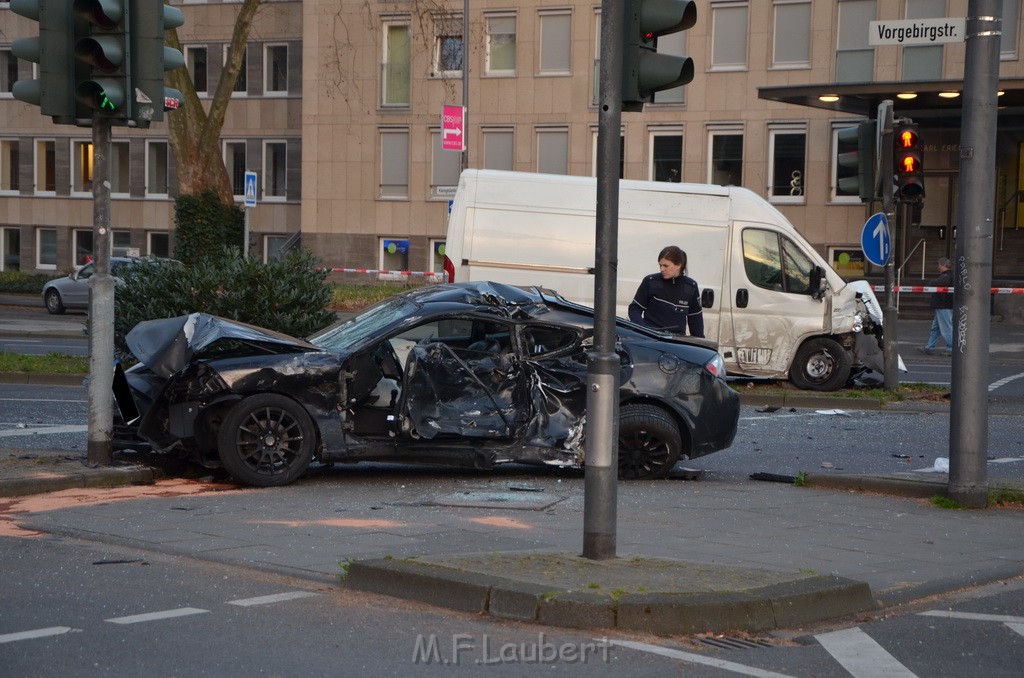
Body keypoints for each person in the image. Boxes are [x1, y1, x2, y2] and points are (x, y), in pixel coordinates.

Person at [628, 245, 704, 337]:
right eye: (660, 265)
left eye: (666, 266)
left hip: (676, 342)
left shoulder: (691, 287)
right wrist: (643, 330)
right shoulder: (650, 281)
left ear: (678, 265)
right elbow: (634, 309)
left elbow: (696, 322)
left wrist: (701, 345)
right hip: (650, 338)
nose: (661, 269)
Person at [919, 257, 954, 356]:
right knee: (936, 328)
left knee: (946, 328)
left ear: (944, 265)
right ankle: (930, 347)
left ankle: (951, 349)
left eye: (939, 265)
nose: (938, 267)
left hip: (944, 305)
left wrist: (931, 282)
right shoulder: (951, 275)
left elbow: (935, 283)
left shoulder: (946, 276)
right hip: (944, 305)